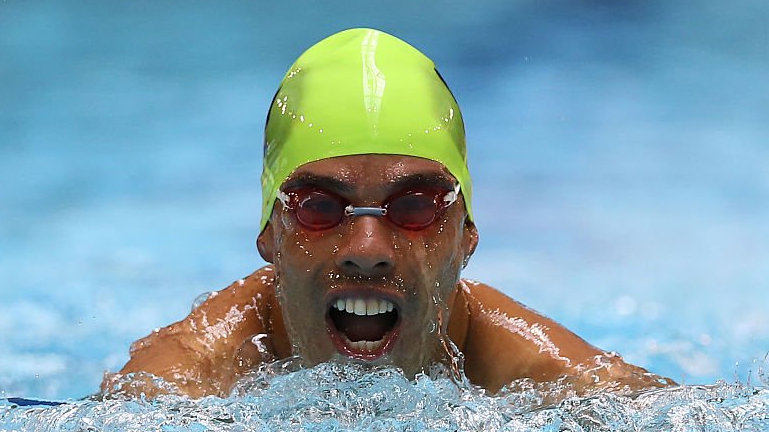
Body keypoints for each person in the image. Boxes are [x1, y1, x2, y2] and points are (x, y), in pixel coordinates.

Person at [101, 29, 672, 399]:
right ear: (269, 234)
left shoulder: (558, 382)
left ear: (466, 236)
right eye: (320, 208)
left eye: (416, 207)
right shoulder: (176, 385)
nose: (368, 247)